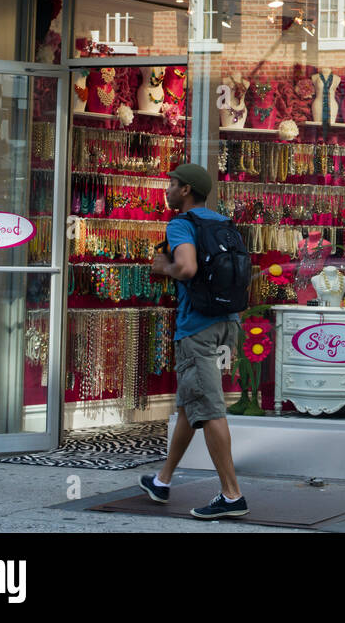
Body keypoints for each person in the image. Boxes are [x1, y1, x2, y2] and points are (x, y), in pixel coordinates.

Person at [142, 163, 248, 519]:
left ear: (186, 190)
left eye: (172, 184)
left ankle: (232, 496)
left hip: (196, 328)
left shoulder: (181, 224)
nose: (167, 189)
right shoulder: (222, 223)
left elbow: (186, 268)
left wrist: (163, 268)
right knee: (192, 403)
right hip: (226, 324)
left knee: (210, 406)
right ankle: (162, 479)